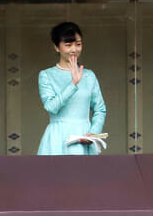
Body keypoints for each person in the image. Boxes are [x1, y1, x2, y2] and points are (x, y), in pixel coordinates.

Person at [37, 22, 107, 155]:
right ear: (57, 47)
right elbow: (51, 107)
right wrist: (73, 84)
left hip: (83, 136)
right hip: (57, 137)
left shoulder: (89, 75)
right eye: (68, 45)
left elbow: (100, 109)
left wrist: (93, 133)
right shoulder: (46, 75)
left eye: (78, 44)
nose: (74, 49)